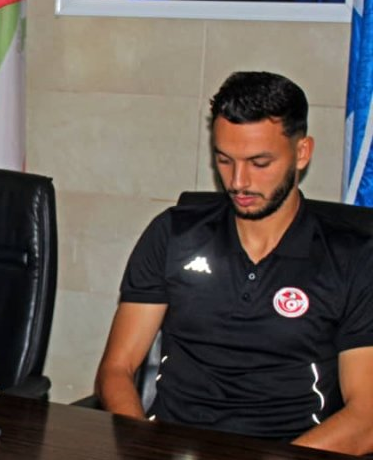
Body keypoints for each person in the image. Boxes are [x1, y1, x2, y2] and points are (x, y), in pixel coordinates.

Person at [94, 71, 373, 456]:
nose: (238, 182)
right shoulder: (174, 234)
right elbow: (116, 370)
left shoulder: (353, 258)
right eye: (224, 160)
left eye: (259, 163)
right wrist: (142, 446)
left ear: (302, 153)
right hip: (172, 447)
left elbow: (366, 418)